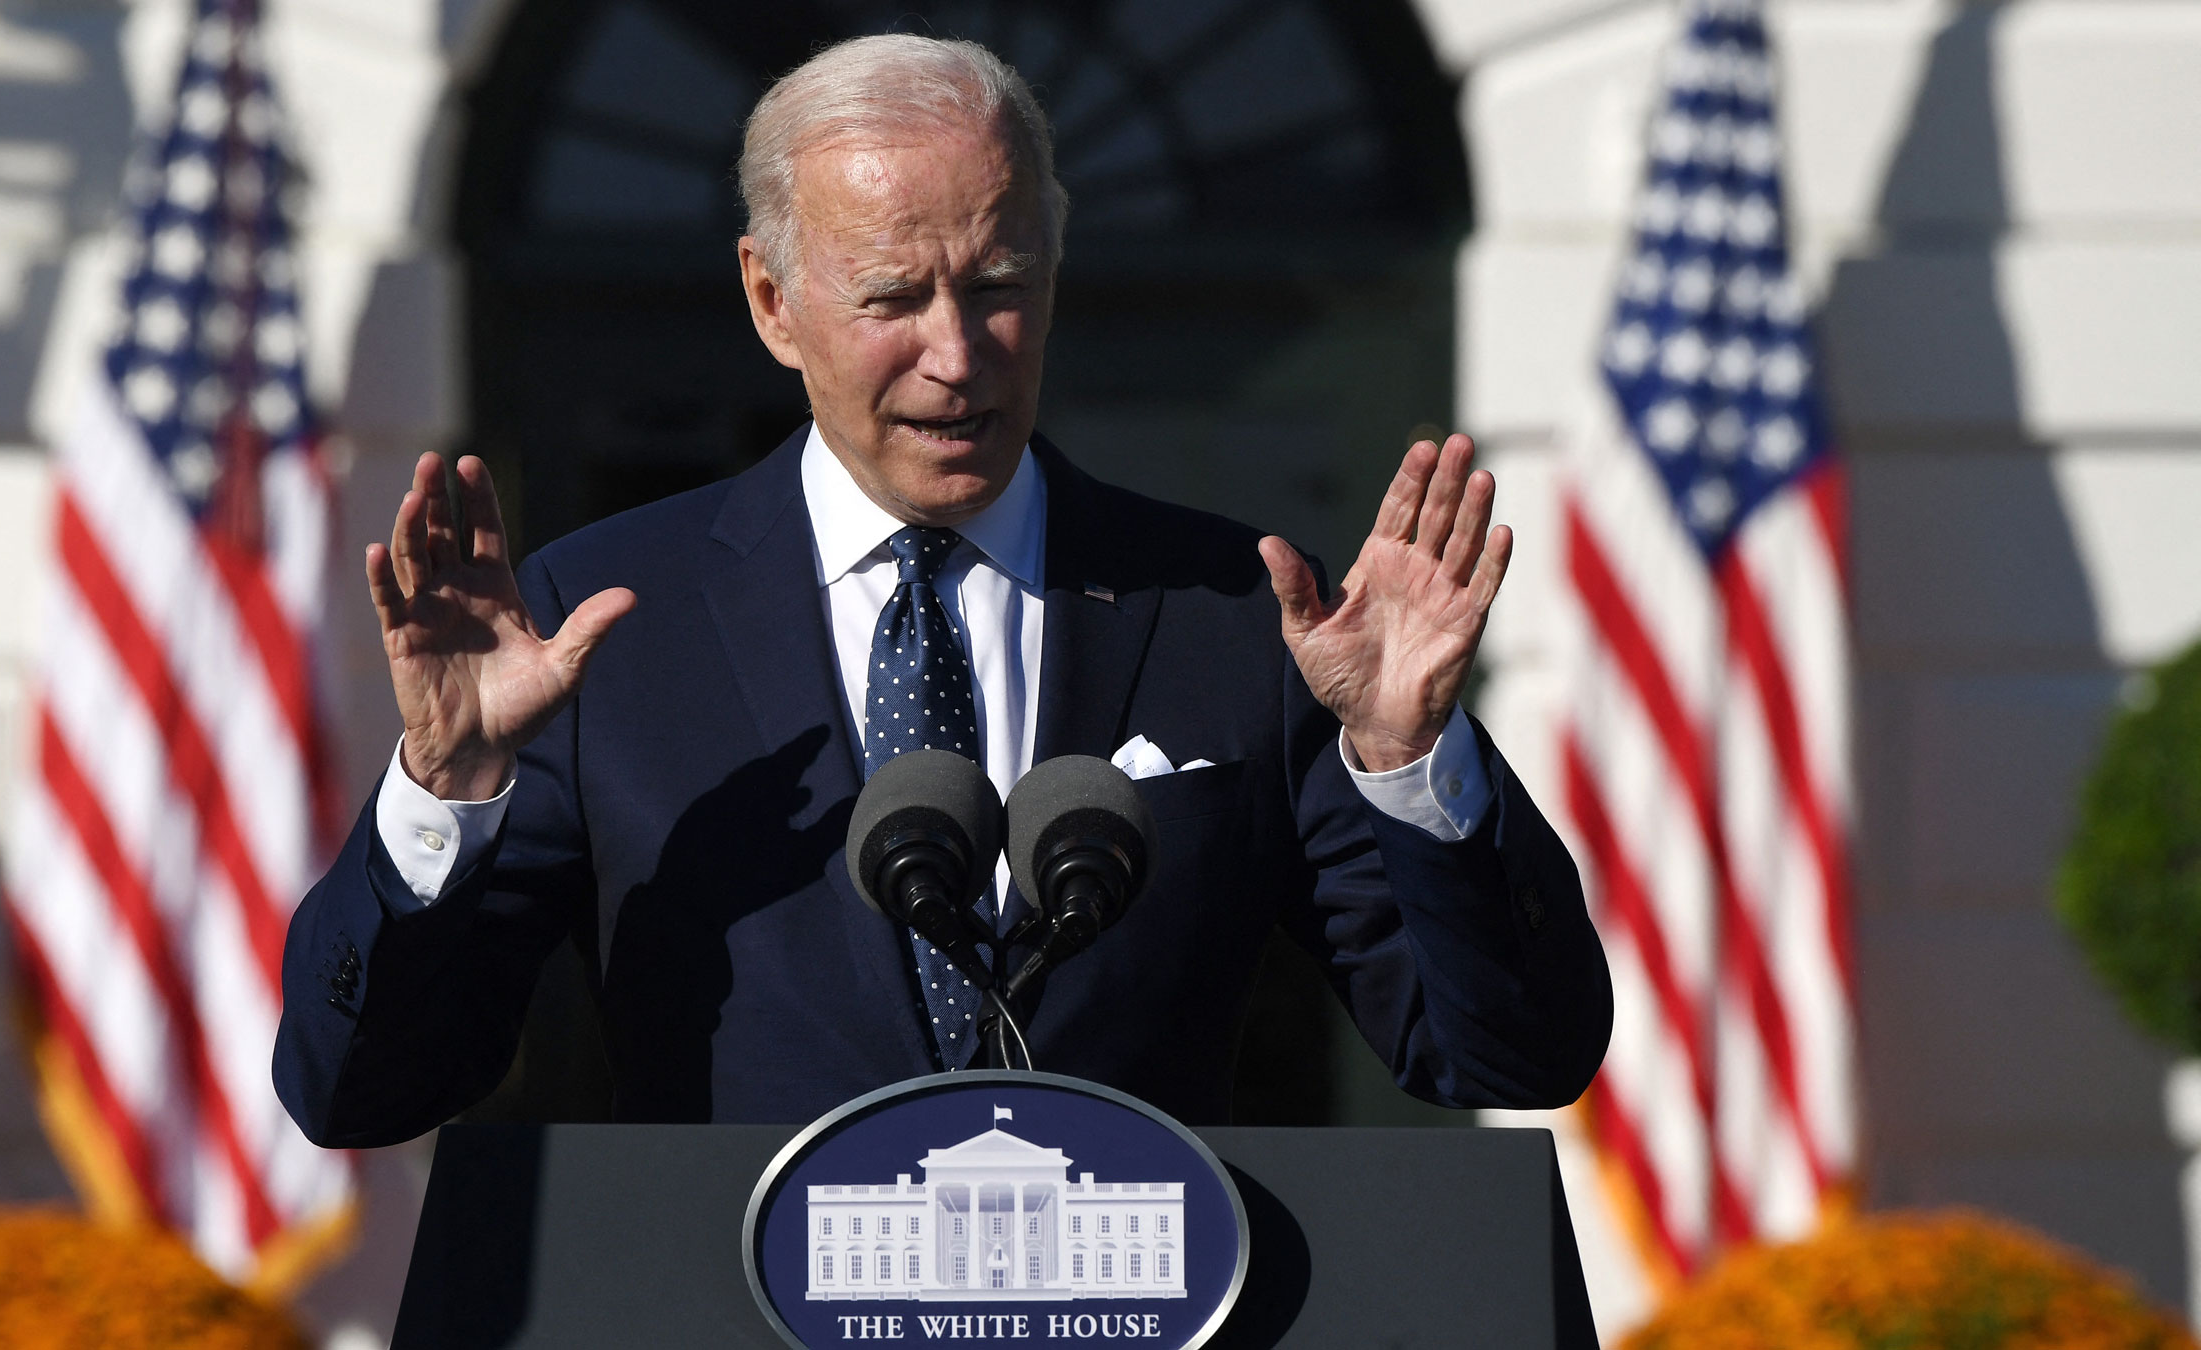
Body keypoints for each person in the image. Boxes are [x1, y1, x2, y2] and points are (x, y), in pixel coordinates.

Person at [273, 34, 1609, 1144]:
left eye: (1001, 288)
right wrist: (442, 796)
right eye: (894, 297)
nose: (957, 356)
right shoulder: (602, 625)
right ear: (771, 300)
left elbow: (1508, 1055)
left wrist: (1410, 760)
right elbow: (366, 1090)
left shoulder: (1236, 617)